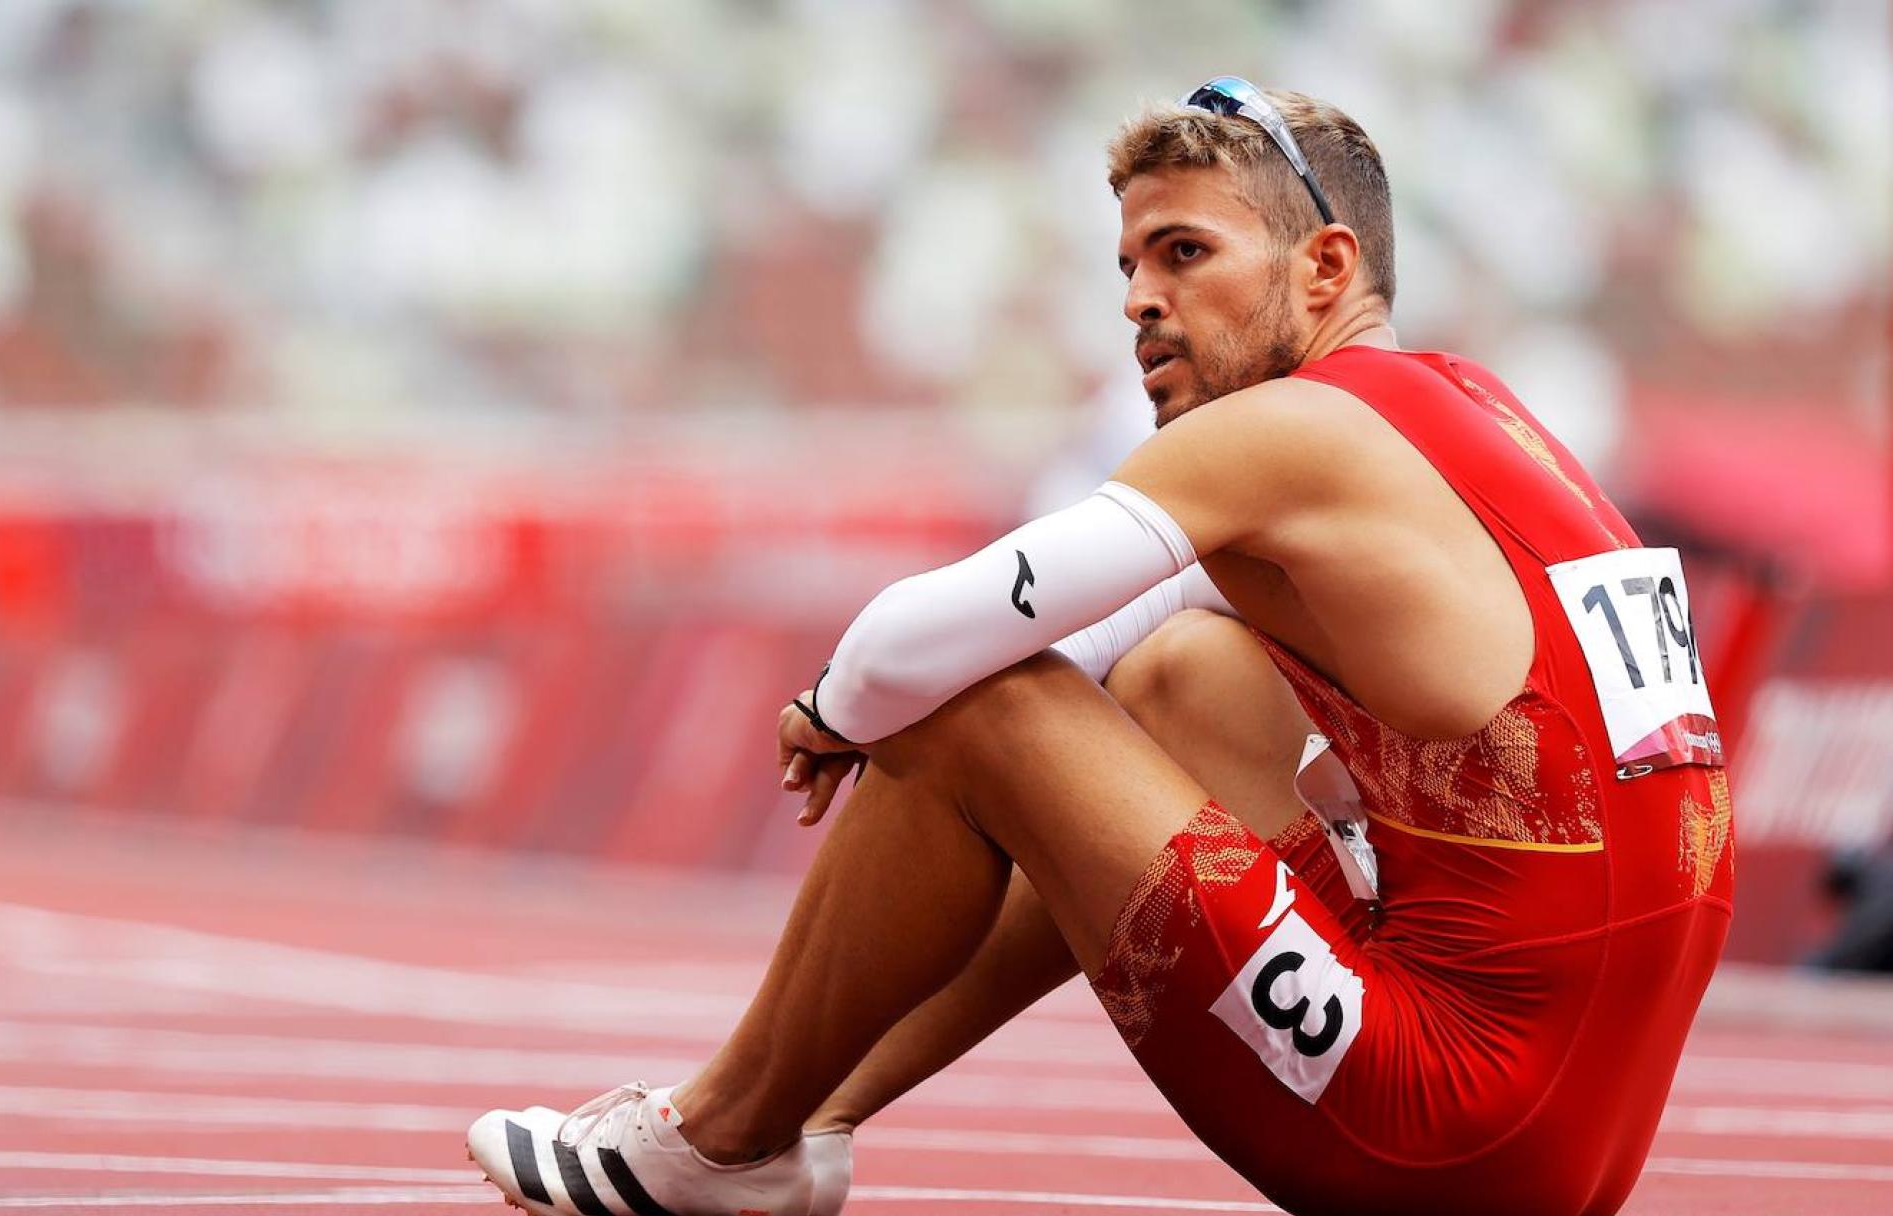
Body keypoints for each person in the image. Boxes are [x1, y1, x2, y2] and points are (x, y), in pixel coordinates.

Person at [468, 77, 1734, 1216]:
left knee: (977, 709)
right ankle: (816, 1116)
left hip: (1454, 1129)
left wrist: (833, 709)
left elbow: (928, 640)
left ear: (1326, 269)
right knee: (1185, 676)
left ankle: (719, 1139)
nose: (1139, 300)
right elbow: (1114, 634)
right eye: (1128, 264)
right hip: (1570, 1135)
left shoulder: (1292, 429)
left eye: (1185, 254)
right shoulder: (1478, 413)